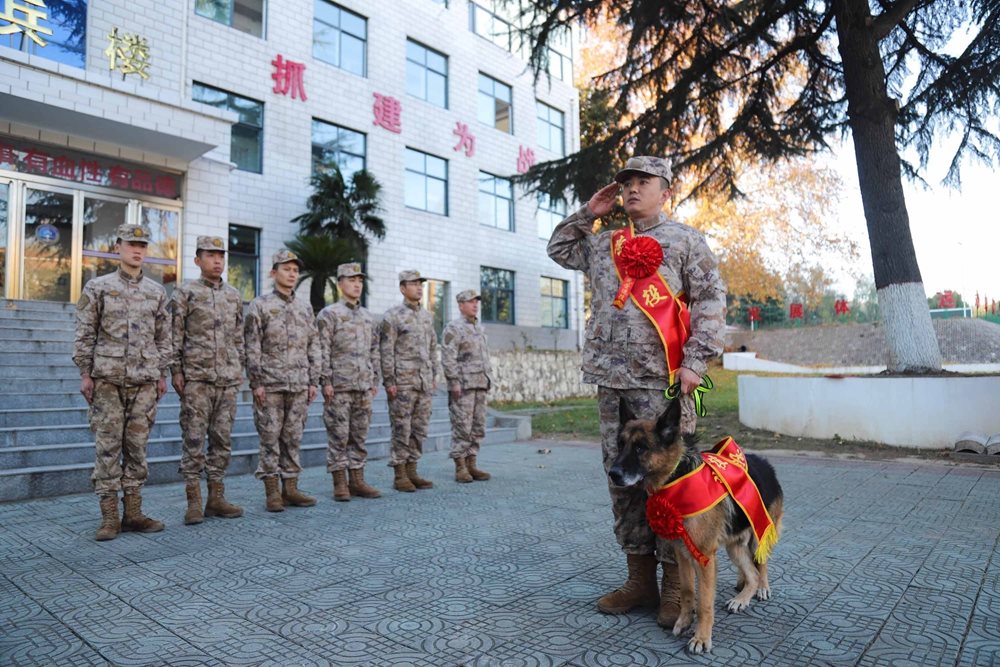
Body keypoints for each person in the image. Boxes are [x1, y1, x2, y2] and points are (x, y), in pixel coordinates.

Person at [547, 156, 726, 626]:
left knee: (670, 486)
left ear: (666, 190)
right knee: (622, 482)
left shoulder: (686, 241)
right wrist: (589, 211)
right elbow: (559, 250)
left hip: (662, 383)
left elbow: (711, 300)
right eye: (626, 182)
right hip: (613, 383)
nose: (631, 189)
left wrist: (694, 361)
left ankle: (675, 588)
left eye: (643, 182)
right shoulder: (605, 242)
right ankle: (639, 580)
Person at [73, 223, 171, 541]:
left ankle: (133, 513)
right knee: (107, 447)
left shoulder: (156, 292)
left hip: (144, 381)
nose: (137, 250)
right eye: (131, 244)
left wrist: (161, 374)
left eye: (142, 245)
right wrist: (85, 373)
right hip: (107, 380)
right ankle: (109, 517)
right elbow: (85, 333)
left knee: (137, 448)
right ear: (118, 247)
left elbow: (163, 338)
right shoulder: (97, 287)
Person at [170, 235, 245, 525]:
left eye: (221, 256)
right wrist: (176, 370)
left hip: (226, 379)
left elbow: (238, 336)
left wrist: (239, 368)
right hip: (197, 379)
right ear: (197, 260)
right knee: (193, 438)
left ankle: (216, 498)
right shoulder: (184, 293)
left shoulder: (234, 295)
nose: (217, 261)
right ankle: (194, 501)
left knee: (222, 440)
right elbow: (174, 335)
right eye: (210, 255)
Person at [244, 250, 322, 512]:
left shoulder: (304, 307)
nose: (291, 273)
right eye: (285, 268)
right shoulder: (260, 305)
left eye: (294, 270)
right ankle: (272, 492)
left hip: (299, 384)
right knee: (269, 438)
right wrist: (256, 382)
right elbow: (252, 346)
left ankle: (291, 488)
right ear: (273, 272)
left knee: (293, 437)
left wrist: (314, 380)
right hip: (270, 384)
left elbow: (313, 344)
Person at [316, 262, 382, 501]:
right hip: (339, 387)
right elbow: (322, 349)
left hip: (363, 386)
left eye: (360, 281)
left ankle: (357, 480)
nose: (356, 284)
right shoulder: (330, 314)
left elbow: (374, 350)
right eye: (351, 280)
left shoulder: (368, 317)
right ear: (341, 283)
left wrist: (375, 378)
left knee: (359, 435)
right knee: (338, 435)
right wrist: (326, 381)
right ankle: (340, 483)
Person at [380, 269, 439, 493]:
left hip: (423, 382)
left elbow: (432, 347)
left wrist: (433, 375)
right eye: (414, 284)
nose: (419, 288)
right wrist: (389, 381)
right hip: (402, 382)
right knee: (401, 428)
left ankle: (413, 470)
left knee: (419, 428)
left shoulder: (426, 316)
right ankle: (400, 474)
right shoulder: (392, 316)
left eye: (421, 284)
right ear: (403, 288)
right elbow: (386, 350)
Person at [441, 289, 493, 483]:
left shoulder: (479, 327)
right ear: (461, 305)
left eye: (476, 302)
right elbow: (448, 357)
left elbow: (484, 356)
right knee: (462, 426)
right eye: (470, 302)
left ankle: (472, 463)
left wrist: (488, 379)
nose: (475, 305)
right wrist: (453, 381)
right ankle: (460, 466)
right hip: (462, 386)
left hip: (480, 383)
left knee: (478, 426)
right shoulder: (453, 328)